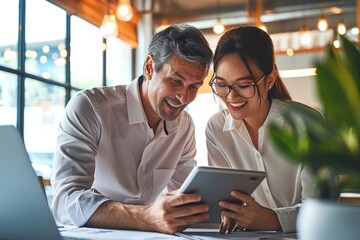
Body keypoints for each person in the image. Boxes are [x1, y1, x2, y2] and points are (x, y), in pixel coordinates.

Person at [51, 24, 213, 234]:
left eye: (194, 87)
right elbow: (66, 201)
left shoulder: (184, 126)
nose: (184, 97)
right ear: (149, 67)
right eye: (175, 81)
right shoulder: (91, 108)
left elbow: (186, 195)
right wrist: (146, 217)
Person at [206, 26, 316, 233]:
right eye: (222, 84)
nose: (231, 97)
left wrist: (274, 220)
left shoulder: (307, 124)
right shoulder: (216, 129)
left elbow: (322, 210)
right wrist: (228, 213)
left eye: (244, 85)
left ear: (270, 80)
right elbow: (225, 201)